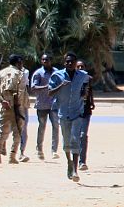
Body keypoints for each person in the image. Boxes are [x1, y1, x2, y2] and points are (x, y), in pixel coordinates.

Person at [48, 52, 89, 182]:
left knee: (75, 140)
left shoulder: (82, 75)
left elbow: (87, 84)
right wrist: (61, 85)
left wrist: (85, 93)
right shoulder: (57, 75)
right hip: (63, 113)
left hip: (77, 113)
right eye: (67, 61)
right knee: (66, 143)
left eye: (72, 61)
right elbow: (50, 93)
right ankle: (69, 163)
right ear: (64, 62)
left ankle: (76, 170)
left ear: (76, 63)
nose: (70, 63)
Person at [0, 54, 27, 164]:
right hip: (17, 106)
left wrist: (2, 100)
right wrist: (19, 105)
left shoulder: (1, 73)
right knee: (17, 132)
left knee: (3, 132)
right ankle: (12, 156)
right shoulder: (19, 74)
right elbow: (18, 91)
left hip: (6, 105)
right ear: (18, 63)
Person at [31, 53, 60, 160]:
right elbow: (33, 88)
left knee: (56, 127)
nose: (45, 61)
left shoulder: (56, 72)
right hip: (42, 104)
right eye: (43, 60)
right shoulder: (38, 73)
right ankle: (39, 150)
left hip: (54, 104)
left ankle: (54, 151)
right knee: (42, 127)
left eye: (47, 60)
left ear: (50, 61)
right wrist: (45, 87)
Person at [76, 60, 95, 171]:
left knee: (83, 135)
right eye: (78, 67)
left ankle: (82, 162)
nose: (80, 68)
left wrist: (92, 102)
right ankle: (73, 160)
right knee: (75, 137)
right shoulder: (72, 79)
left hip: (86, 111)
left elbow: (90, 91)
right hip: (74, 111)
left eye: (82, 66)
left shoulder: (88, 79)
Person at [19, 67, 31, 162]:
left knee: (23, 129)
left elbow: (26, 86)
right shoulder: (7, 73)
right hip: (13, 104)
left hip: (23, 103)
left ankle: (21, 153)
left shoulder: (25, 72)